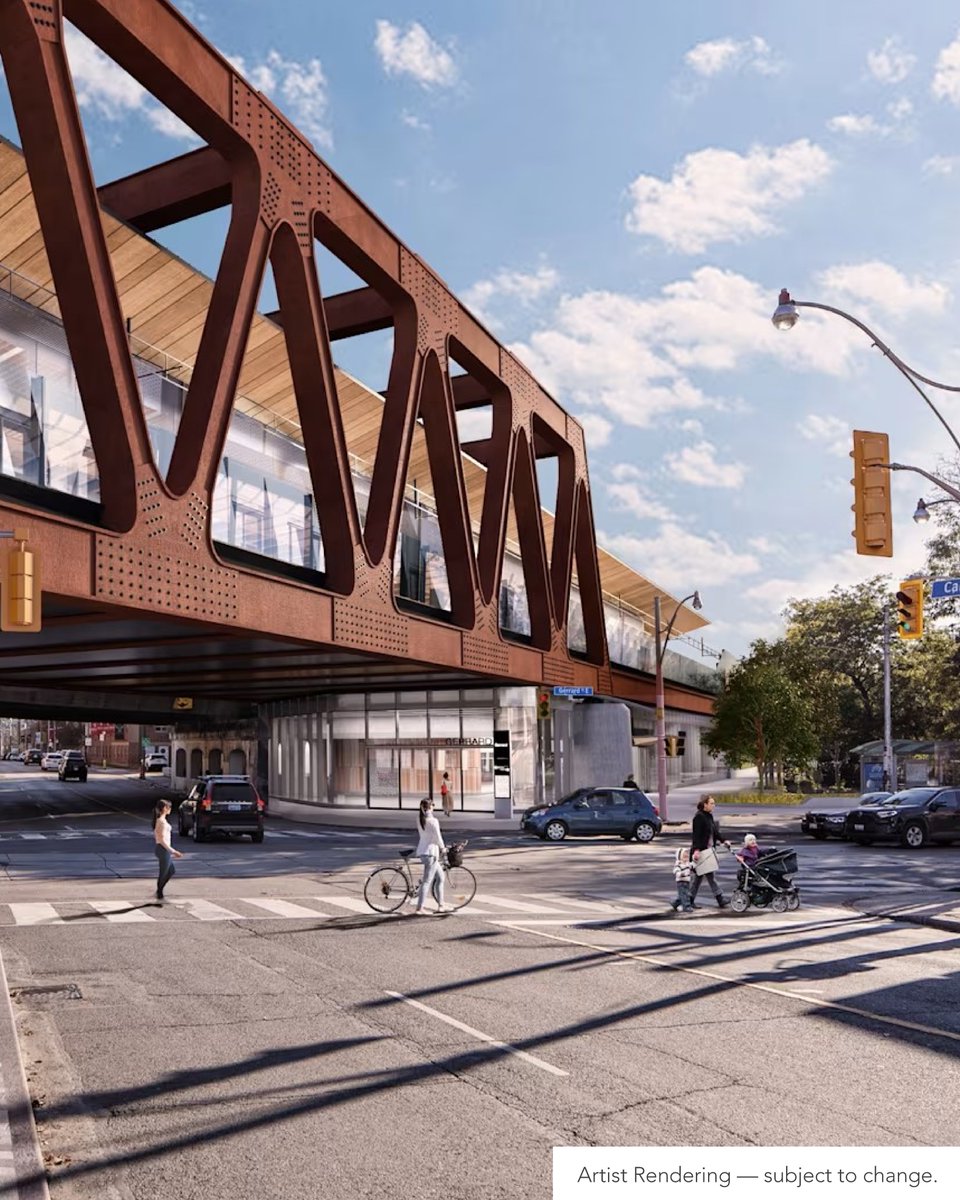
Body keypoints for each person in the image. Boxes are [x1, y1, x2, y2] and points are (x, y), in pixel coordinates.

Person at [689, 794, 731, 909]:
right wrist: (696, 850)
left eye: (714, 803)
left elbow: (715, 832)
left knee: (698, 878)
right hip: (702, 852)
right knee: (708, 877)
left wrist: (723, 840)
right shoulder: (698, 817)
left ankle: (686, 900)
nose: (714, 805)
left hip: (709, 851)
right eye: (711, 803)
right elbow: (696, 836)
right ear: (705, 804)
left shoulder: (709, 816)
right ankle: (720, 899)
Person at [414, 798, 449, 915]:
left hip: (422, 852)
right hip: (431, 853)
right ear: (430, 807)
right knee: (427, 881)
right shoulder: (433, 821)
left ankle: (441, 905)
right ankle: (420, 908)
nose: (434, 807)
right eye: (432, 805)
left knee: (440, 877)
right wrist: (443, 848)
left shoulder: (419, 819)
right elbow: (438, 837)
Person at [153, 798, 183, 903]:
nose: (170, 809)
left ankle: (159, 891)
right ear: (165, 808)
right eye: (169, 807)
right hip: (162, 849)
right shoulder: (160, 821)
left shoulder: (163, 820)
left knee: (171, 871)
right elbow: (160, 839)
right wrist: (173, 851)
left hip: (164, 849)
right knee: (164, 872)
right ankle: (159, 893)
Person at [670, 847, 695, 913]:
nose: (686, 857)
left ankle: (675, 903)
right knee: (684, 894)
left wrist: (695, 860)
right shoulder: (678, 864)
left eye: (687, 856)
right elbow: (675, 871)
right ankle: (686, 907)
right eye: (684, 856)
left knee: (684, 894)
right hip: (681, 882)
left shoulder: (687, 863)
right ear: (680, 857)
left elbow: (692, 865)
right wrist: (681, 874)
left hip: (687, 881)